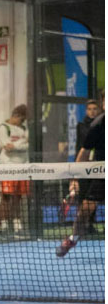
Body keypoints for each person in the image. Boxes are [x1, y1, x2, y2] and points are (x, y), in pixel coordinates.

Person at [57, 100, 104, 257]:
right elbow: (84, 152)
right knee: (85, 210)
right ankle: (73, 238)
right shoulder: (98, 125)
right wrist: (75, 180)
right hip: (102, 174)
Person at [0, 104, 29, 233]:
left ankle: (16, 224)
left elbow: (27, 145)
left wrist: (16, 145)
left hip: (22, 168)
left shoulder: (24, 128)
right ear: (16, 115)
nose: (22, 122)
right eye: (21, 119)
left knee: (18, 197)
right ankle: (1, 224)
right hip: (7, 167)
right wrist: (21, 143)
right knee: (6, 197)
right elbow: (6, 147)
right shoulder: (3, 128)